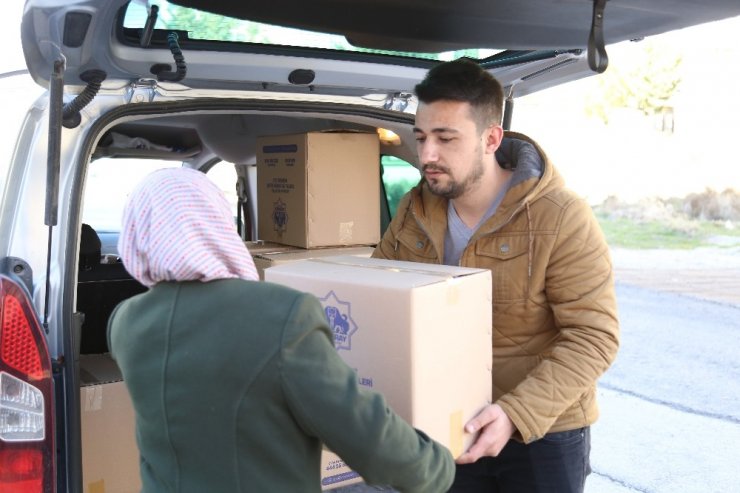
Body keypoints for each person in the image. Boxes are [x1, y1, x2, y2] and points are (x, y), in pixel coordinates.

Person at [107, 167, 455, 493]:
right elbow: (366, 436)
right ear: (217, 224)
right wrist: (440, 465)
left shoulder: (125, 323)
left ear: (138, 236)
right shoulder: (283, 315)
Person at [372, 58, 620, 492]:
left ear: (491, 138)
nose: (427, 154)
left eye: (446, 139)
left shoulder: (560, 216)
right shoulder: (414, 209)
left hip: (542, 431)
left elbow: (594, 337)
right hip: (447, 420)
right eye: (422, 137)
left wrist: (514, 413)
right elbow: (379, 300)